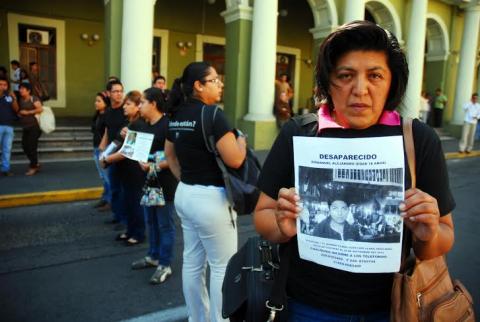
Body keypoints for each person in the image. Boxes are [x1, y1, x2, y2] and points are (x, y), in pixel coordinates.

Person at [254, 21, 455, 321]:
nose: (360, 90)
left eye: (375, 75)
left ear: (392, 83)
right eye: (345, 76)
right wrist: (281, 226)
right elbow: (262, 215)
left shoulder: (418, 140)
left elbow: (443, 237)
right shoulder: (301, 134)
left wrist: (428, 233)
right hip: (307, 306)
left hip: (391, 308)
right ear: (327, 82)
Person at [165, 62, 246, 322]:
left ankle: (197, 318)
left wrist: (187, 181)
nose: (220, 84)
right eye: (214, 80)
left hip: (186, 194)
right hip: (210, 200)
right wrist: (241, 141)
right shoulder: (212, 115)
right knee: (222, 266)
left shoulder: (176, 114)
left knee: (192, 262)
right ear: (199, 85)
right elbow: (235, 160)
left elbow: (170, 155)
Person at [131, 87, 178, 284]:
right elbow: (137, 150)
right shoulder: (143, 125)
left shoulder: (168, 125)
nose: (139, 106)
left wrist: (155, 165)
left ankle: (164, 264)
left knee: (165, 225)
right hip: (149, 182)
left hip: (165, 183)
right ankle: (153, 256)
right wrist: (140, 159)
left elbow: (175, 156)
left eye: (142, 102)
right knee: (150, 221)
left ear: (154, 104)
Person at [101, 91, 146, 246]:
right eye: (125, 104)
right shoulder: (129, 124)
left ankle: (138, 234)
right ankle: (130, 231)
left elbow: (128, 152)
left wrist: (107, 159)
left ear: (138, 107)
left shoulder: (139, 124)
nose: (124, 107)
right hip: (124, 171)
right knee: (127, 201)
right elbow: (118, 143)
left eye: (128, 104)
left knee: (135, 202)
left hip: (134, 170)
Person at [99, 80, 127, 226]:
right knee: (114, 187)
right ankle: (117, 215)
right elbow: (107, 130)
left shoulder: (126, 109)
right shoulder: (108, 111)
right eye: (115, 91)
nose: (119, 94)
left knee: (124, 189)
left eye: (121, 91)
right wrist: (103, 147)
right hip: (111, 154)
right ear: (108, 93)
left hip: (124, 155)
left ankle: (124, 220)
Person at [17, 82, 43, 176]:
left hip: (34, 127)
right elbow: (20, 111)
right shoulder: (21, 100)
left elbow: (40, 109)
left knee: (32, 147)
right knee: (24, 146)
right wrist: (20, 114)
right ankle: (35, 163)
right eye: (20, 89)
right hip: (25, 127)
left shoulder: (34, 98)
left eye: (23, 89)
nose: (20, 90)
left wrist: (27, 112)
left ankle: (33, 167)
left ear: (28, 91)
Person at [91, 92, 111, 211]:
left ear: (105, 103)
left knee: (107, 176)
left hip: (104, 149)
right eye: (96, 101)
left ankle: (110, 201)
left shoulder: (107, 117)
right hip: (96, 148)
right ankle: (105, 198)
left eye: (99, 101)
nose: (96, 103)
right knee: (102, 177)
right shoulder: (97, 115)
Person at [0, 76, 19, 176]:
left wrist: (14, 98)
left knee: (7, 149)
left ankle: (5, 169)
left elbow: (16, 109)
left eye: (5, 85)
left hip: (9, 126)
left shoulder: (9, 96)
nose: (2, 87)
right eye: (0, 84)